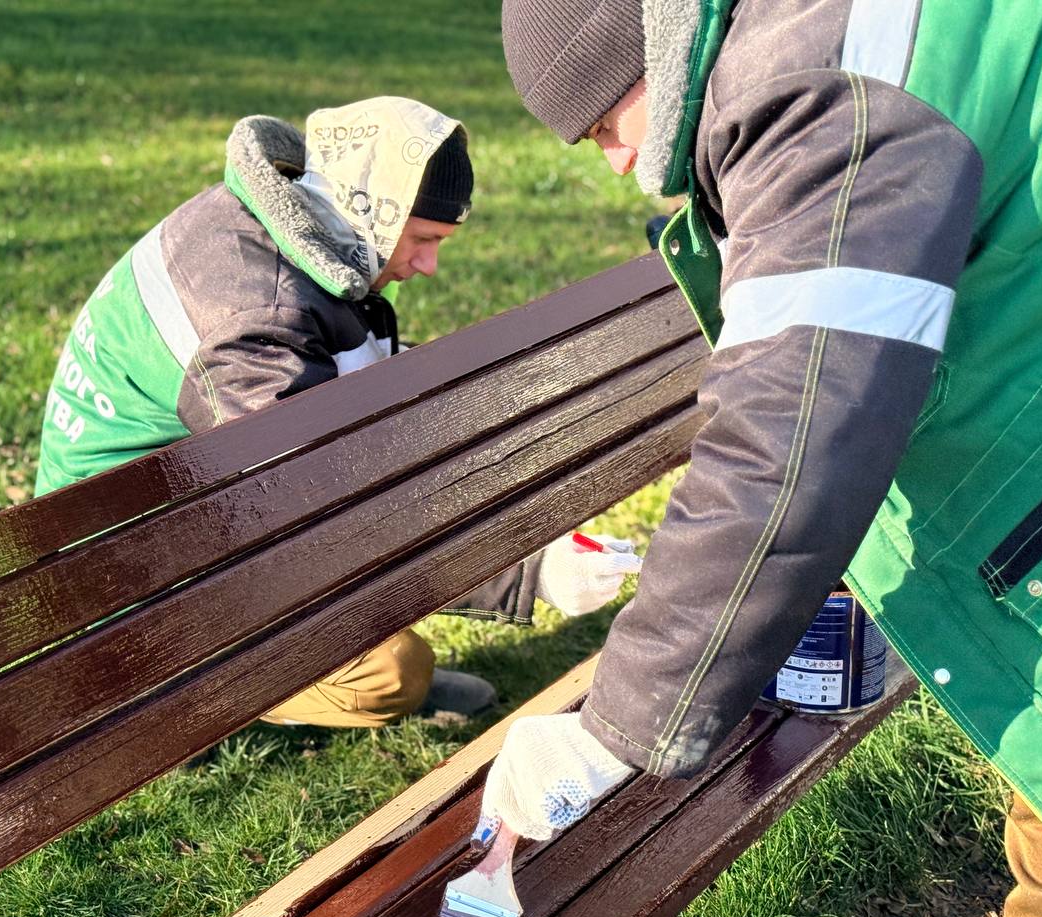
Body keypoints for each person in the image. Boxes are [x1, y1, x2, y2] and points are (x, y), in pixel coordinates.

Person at [483, 3, 1042, 917]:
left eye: (601, 129)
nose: (616, 165)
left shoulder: (814, 93)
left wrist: (611, 726)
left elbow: (795, 424)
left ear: (644, 60)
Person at [34, 96, 641, 728]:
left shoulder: (282, 228)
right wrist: (526, 566)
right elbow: (328, 515)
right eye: (425, 240)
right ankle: (192, 704)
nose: (430, 267)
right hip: (132, 599)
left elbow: (351, 397)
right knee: (391, 672)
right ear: (371, 215)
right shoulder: (252, 325)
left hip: (183, 526)